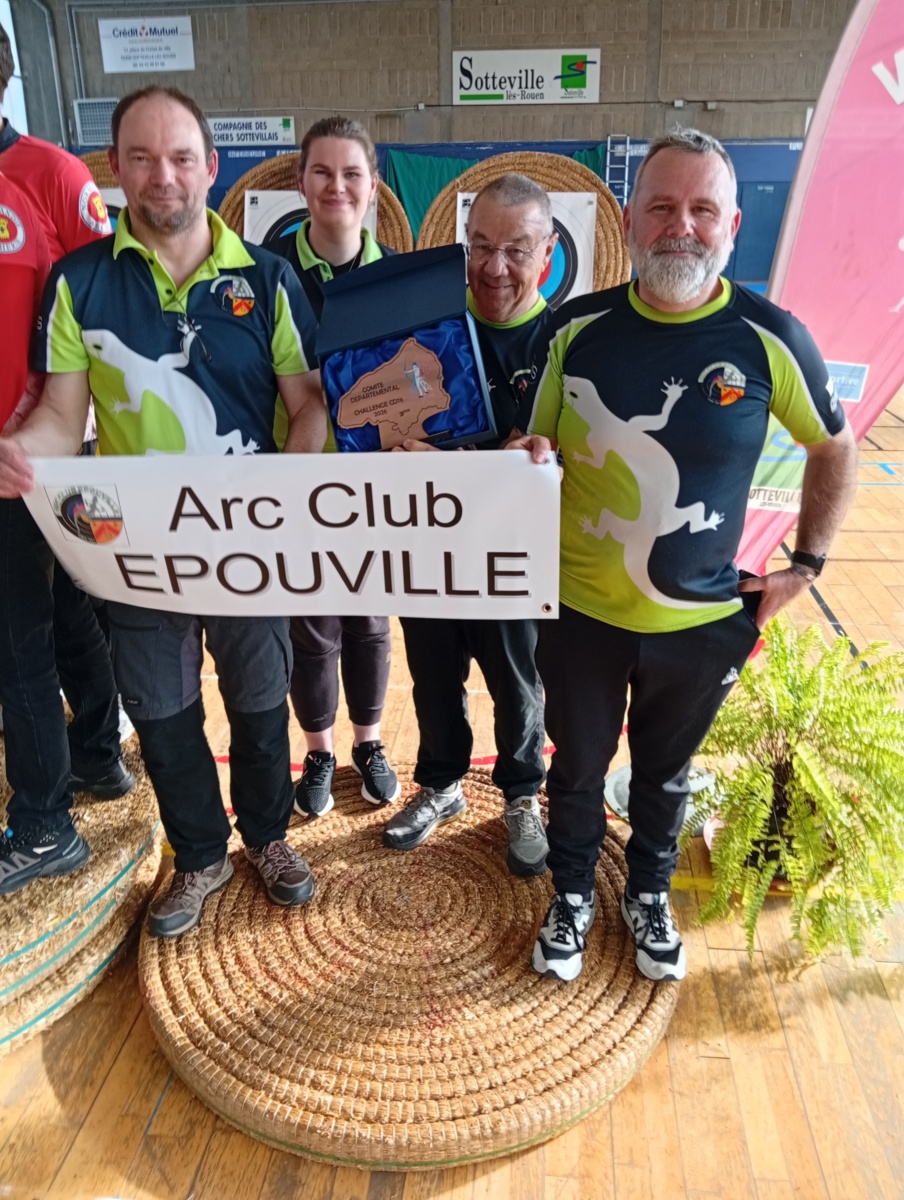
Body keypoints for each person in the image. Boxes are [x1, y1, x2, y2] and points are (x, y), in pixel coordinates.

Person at [511, 129, 858, 982]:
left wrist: (807, 565)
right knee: (577, 769)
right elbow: (533, 444)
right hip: (581, 613)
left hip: (701, 621)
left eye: (703, 209)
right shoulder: (575, 329)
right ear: (631, 219)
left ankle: (648, 893)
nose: (682, 226)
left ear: (732, 226)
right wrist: (526, 454)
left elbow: (833, 444)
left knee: (667, 776)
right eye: (662, 207)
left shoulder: (770, 336)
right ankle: (572, 894)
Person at [0, 86, 326, 935]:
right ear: (116, 168)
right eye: (141, 158)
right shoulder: (79, 282)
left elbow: (308, 404)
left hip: (248, 542)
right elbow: (62, 417)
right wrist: (18, 453)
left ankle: (267, 837)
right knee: (161, 711)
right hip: (137, 546)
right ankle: (201, 856)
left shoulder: (268, 278)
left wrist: (290, 493)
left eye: (180, 157)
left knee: (260, 700)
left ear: (210, 167)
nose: (163, 176)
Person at [382, 174, 557, 876]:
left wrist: (537, 456)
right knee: (431, 675)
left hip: (512, 557)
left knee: (516, 681)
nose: (495, 267)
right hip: (429, 547)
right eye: (481, 246)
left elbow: (569, 457)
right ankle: (442, 783)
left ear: (548, 252)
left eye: (517, 249)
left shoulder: (564, 343)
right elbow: (388, 432)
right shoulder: (429, 335)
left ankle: (522, 794)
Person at [273, 116, 400, 817]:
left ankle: (368, 744)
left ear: (372, 186)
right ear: (301, 182)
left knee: (370, 618)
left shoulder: (397, 277)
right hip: (298, 472)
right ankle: (319, 751)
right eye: (322, 171)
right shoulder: (267, 271)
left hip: (374, 481)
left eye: (352, 173)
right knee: (313, 624)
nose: (337, 186)